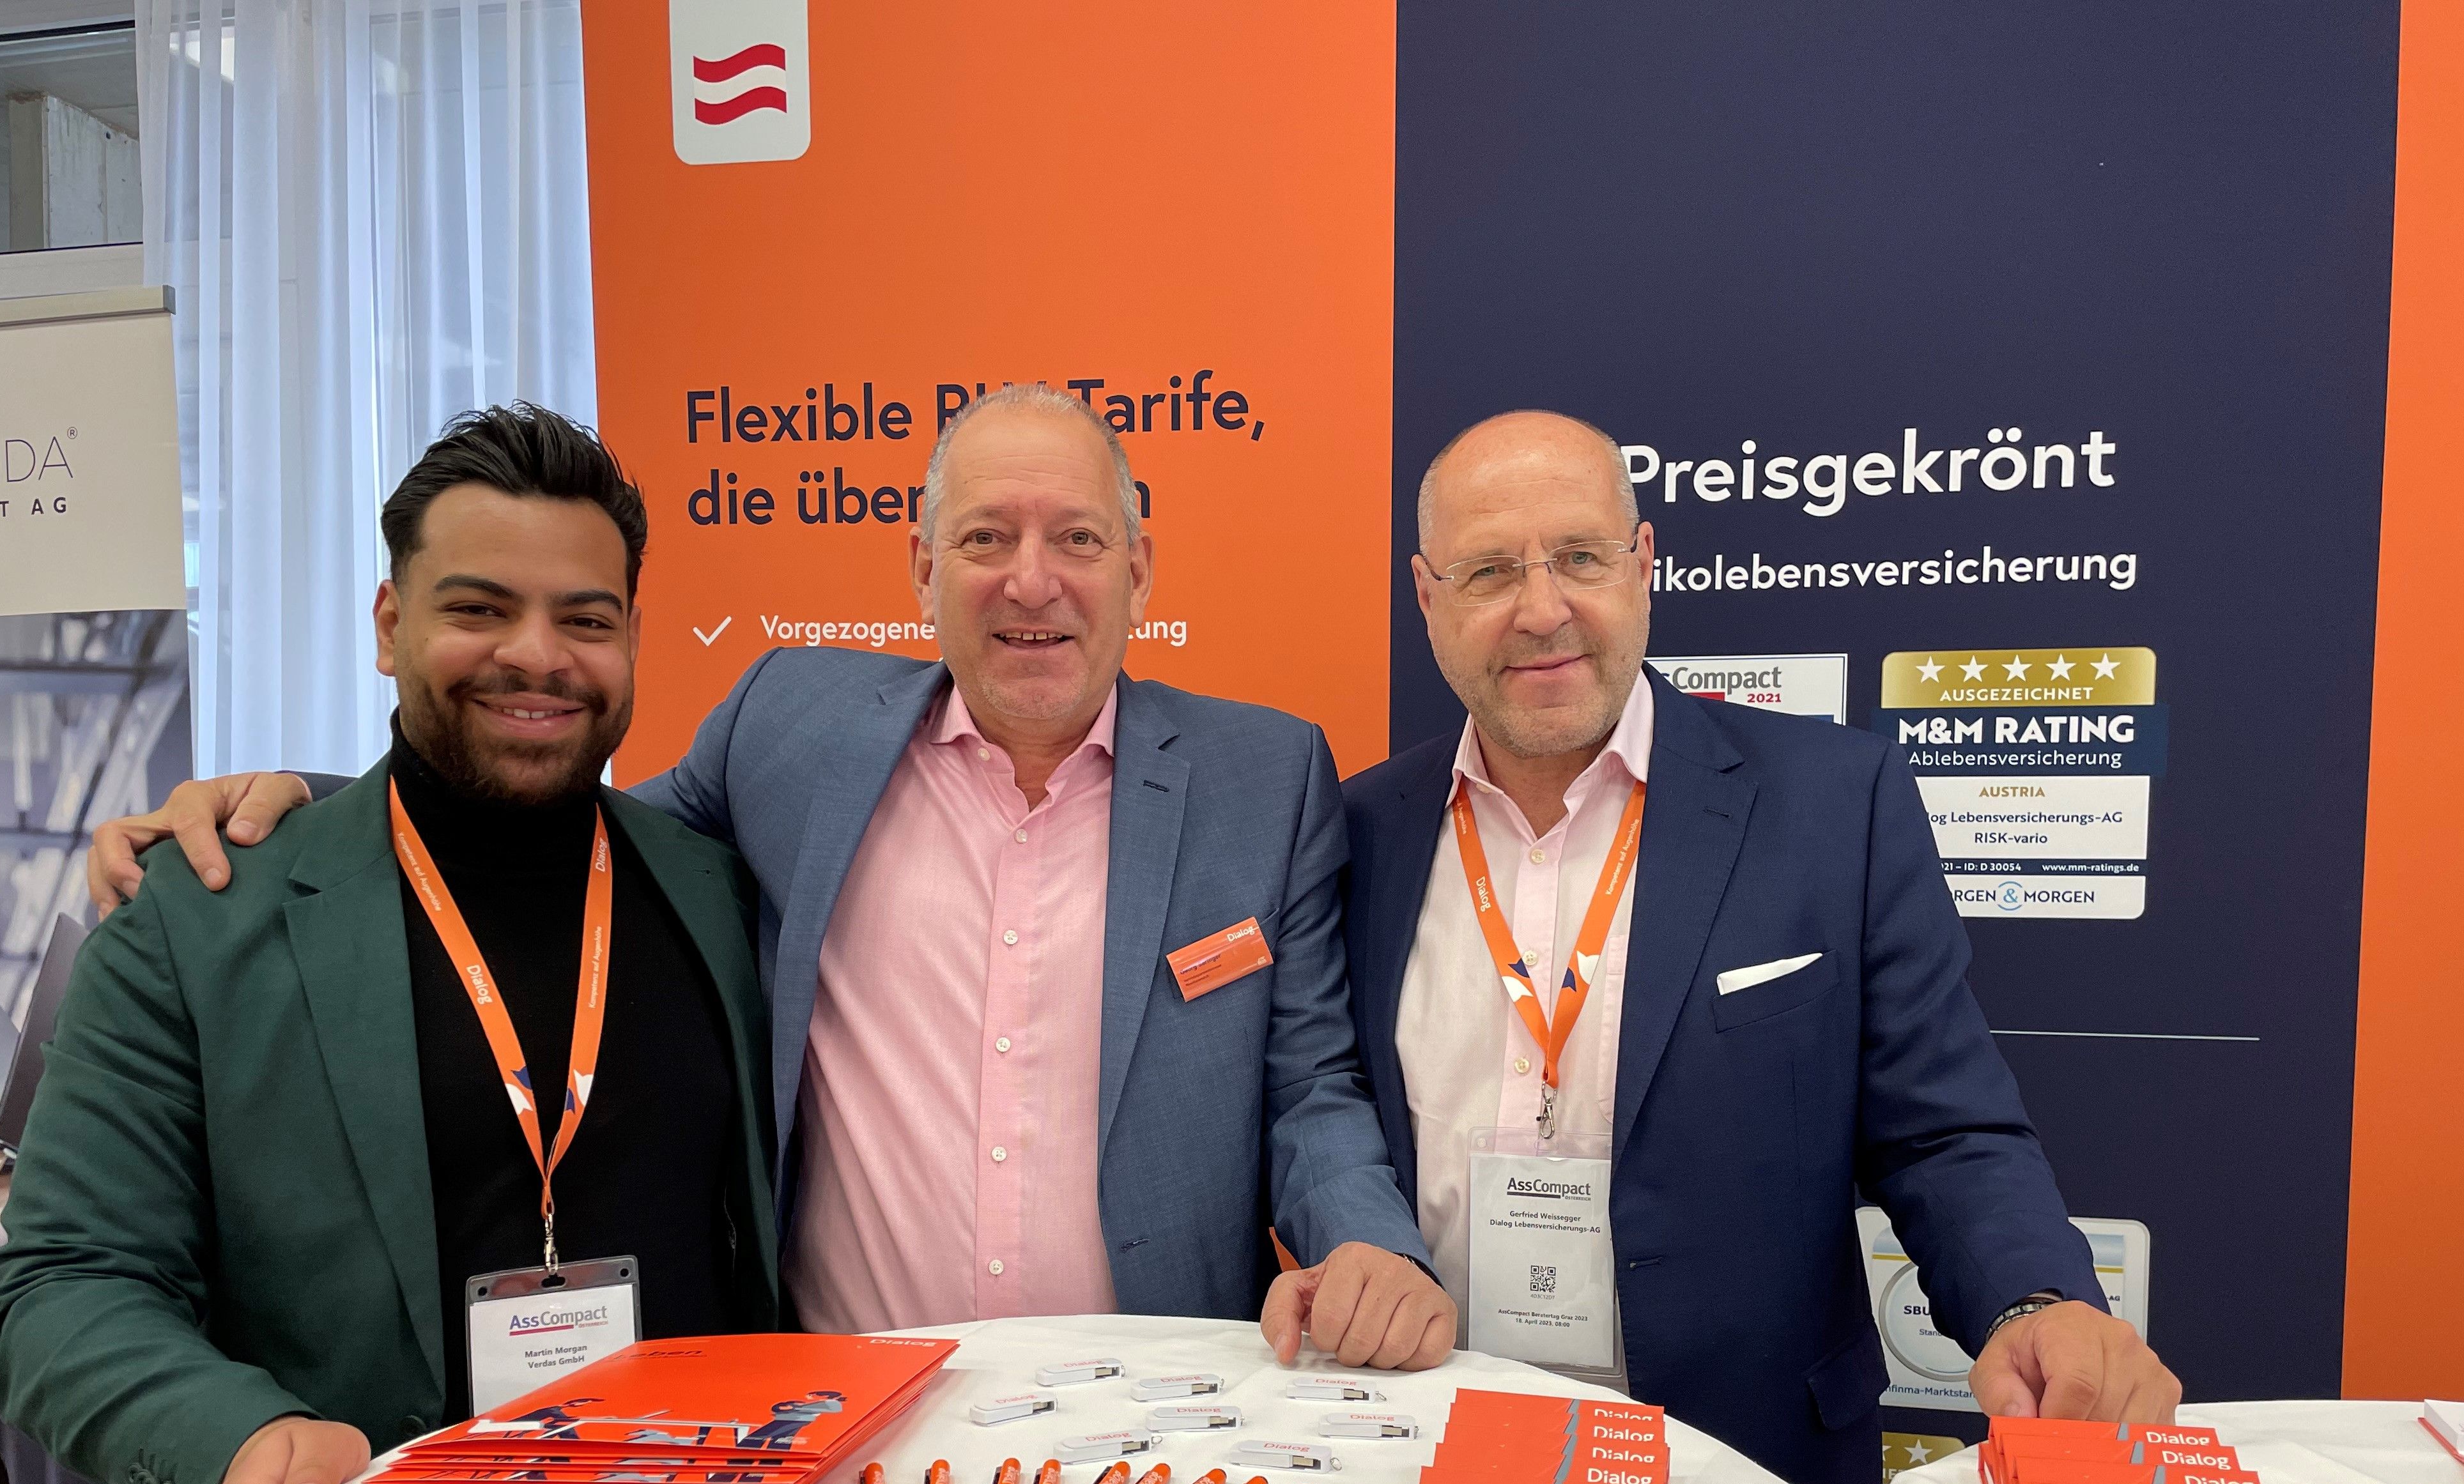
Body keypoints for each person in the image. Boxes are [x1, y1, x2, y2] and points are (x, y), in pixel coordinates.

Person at [88, 385, 1454, 1373]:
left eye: (1078, 541)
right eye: (985, 539)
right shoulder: (791, 728)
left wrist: (1368, 1242)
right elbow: (547, 830)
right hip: (839, 1419)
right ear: (921, 567)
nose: (1030, 582)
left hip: (1146, 1412)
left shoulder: (1262, 777)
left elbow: (1311, 1084)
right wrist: (305, 807)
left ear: (1139, 569)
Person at [0, 404, 782, 1484]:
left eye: (585, 619)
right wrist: (239, 1439)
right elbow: (59, 1286)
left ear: (632, 637)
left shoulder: (717, 893)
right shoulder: (199, 918)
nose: (537, 655)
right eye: (479, 609)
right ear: (387, 624)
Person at [1341, 409, 2178, 1484]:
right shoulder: (1363, 832)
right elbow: (1323, 1105)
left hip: (1746, 1477)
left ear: (1643, 565)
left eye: (1580, 557)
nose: (1541, 610)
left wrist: (2033, 1301)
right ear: (1427, 597)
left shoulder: (1834, 804)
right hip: (1432, 1455)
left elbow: (1943, 1132)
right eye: (1490, 571)